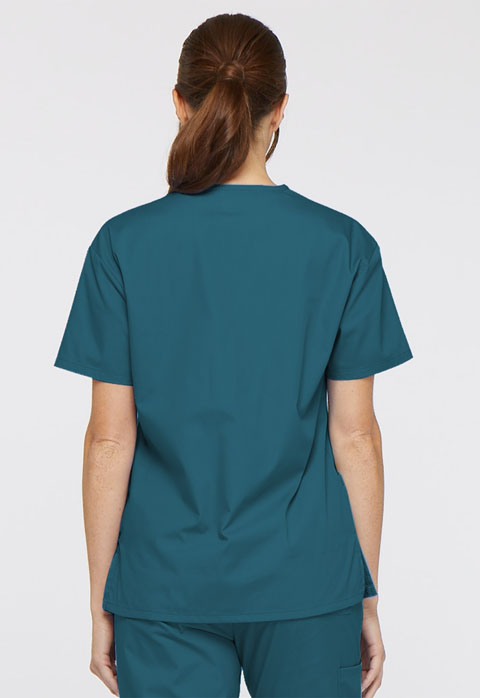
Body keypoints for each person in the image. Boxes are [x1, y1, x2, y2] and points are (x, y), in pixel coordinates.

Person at [53, 12, 413, 698]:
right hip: (309, 581)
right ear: (280, 109)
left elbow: (109, 439)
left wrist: (102, 599)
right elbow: (356, 437)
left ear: (179, 104)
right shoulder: (343, 246)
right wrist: (363, 594)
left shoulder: (122, 245)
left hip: (164, 584)